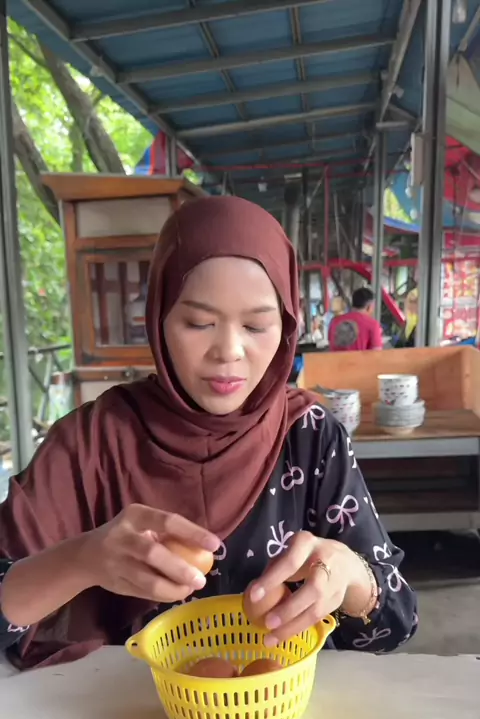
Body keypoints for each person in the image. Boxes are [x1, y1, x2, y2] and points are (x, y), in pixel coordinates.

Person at [0, 197, 417, 669]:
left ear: (286, 327)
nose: (229, 351)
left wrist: (351, 575)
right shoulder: (91, 443)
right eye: (199, 322)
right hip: (126, 710)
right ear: (158, 318)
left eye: (256, 325)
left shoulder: (310, 437)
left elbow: (397, 622)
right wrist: (81, 559)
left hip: (286, 707)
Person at [328, 286, 383, 352]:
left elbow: (331, 345)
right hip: (361, 359)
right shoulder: (373, 324)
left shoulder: (334, 322)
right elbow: (376, 353)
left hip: (335, 359)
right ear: (369, 307)